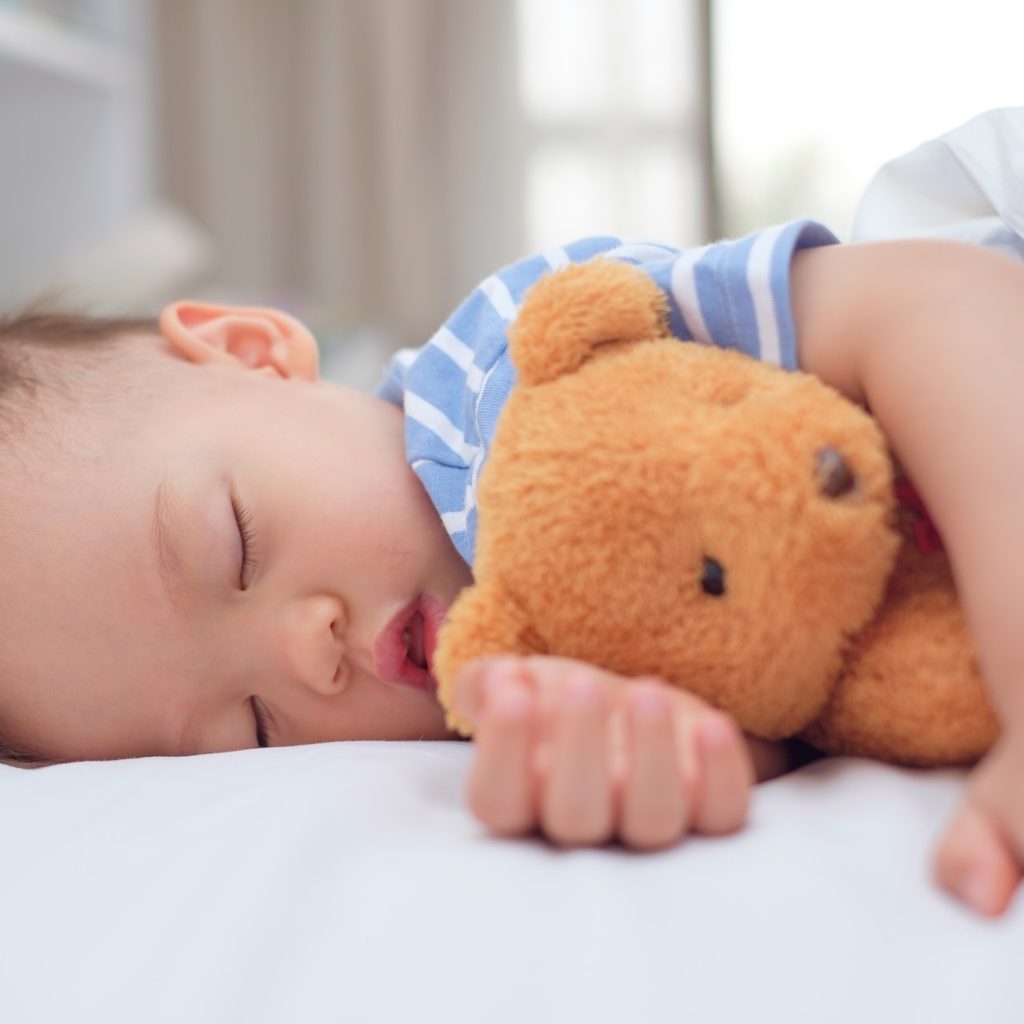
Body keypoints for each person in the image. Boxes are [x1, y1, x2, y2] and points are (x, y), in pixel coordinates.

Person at [1, 221, 1023, 921]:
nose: (306, 653)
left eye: (238, 544)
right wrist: (680, 748)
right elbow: (782, 670)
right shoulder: (503, 709)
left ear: (253, 351)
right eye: (253, 725)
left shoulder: (523, 366)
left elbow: (938, 300)